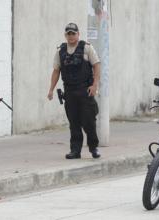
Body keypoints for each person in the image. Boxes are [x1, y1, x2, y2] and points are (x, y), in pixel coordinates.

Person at [47, 23, 101, 159]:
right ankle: (75, 150)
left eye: (73, 33)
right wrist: (51, 90)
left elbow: (96, 66)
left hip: (85, 91)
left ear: (78, 34)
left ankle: (93, 147)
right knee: (74, 122)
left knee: (89, 121)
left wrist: (95, 86)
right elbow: (56, 71)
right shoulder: (61, 51)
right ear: (66, 35)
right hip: (70, 92)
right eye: (68, 34)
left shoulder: (86, 48)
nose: (71, 36)